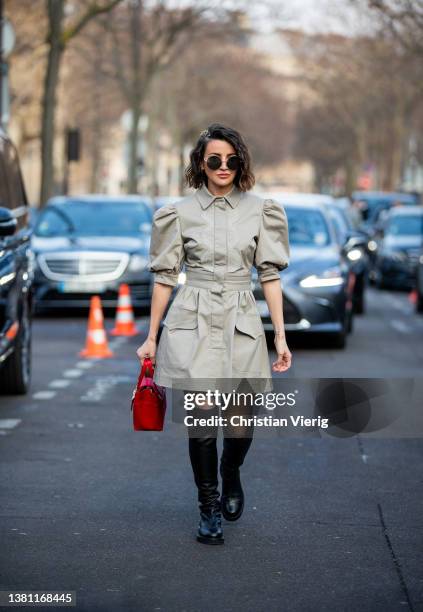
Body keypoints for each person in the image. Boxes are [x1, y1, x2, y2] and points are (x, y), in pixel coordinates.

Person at [136, 122, 292, 545]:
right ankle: (208, 507)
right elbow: (166, 278)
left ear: (241, 162)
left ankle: (231, 470)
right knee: (202, 422)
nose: (224, 166)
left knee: (240, 421)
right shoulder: (178, 213)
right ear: (201, 164)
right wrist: (151, 336)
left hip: (242, 318)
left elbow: (270, 276)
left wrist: (280, 335)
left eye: (231, 159)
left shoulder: (262, 210)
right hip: (194, 319)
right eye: (214, 160)